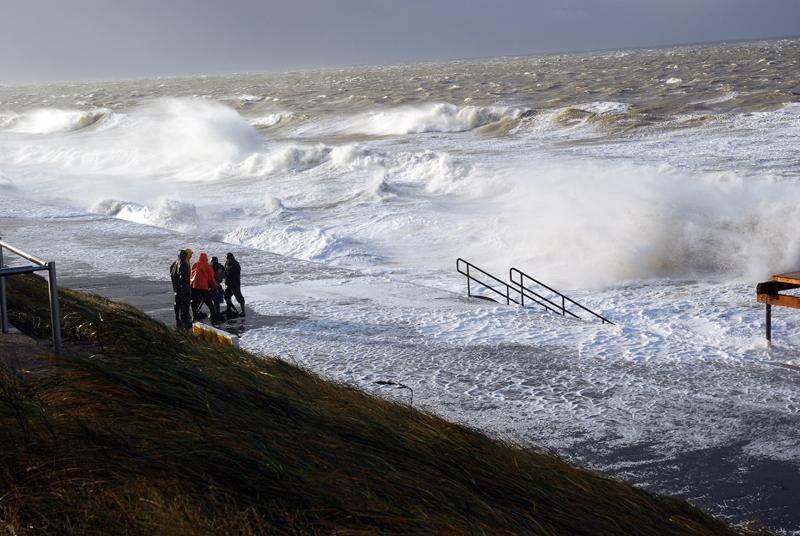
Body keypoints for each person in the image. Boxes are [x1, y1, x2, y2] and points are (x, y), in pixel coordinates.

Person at [191, 252, 224, 323]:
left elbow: (191, 276)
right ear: (206, 259)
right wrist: (216, 286)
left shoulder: (195, 264)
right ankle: (214, 319)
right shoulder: (207, 266)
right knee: (210, 304)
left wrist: (190, 286)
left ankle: (194, 317)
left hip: (195, 288)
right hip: (204, 288)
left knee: (195, 303)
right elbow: (211, 278)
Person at [169, 249, 192, 330]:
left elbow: (171, 273)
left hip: (176, 288)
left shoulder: (174, 263)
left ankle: (177, 319)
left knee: (177, 303)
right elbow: (183, 277)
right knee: (185, 305)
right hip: (183, 288)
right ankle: (185, 322)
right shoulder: (183, 263)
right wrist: (185, 288)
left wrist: (175, 287)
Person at [224, 252, 245, 317]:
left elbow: (232, 273)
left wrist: (227, 274)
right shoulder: (226, 263)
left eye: (228, 258)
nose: (227, 259)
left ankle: (243, 311)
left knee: (239, 297)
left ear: (231, 258)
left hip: (235, 284)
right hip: (228, 284)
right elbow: (225, 271)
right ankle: (229, 309)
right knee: (226, 296)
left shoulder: (236, 264)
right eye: (227, 258)